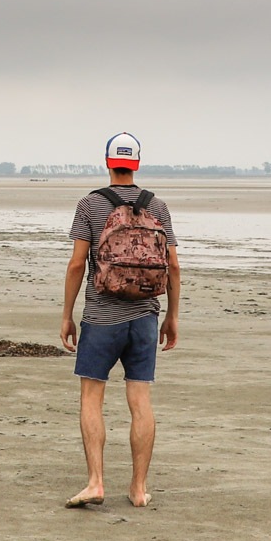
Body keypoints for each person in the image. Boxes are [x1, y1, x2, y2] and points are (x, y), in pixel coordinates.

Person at [59, 132, 180, 508]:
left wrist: (67, 315)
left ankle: (96, 481)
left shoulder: (90, 205)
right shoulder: (157, 206)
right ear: (137, 163)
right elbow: (173, 266)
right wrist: (172, 317)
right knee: (140, 399)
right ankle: (138, 489)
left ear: (108, 162)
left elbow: (79, 262)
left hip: (101, 316)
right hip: (145, 317)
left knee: (92, 397)